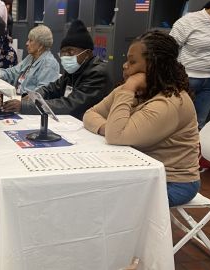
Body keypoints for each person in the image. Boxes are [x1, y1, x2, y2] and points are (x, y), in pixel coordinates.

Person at [83, 31, 200, 207]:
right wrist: (109, 128)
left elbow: (116, 137)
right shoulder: (136, 91)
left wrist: (128, 88)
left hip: (172, 181)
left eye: (132, 61)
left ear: (154, 65)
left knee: (107, 203)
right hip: (140, 170)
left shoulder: (170, 102)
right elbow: (90, 114)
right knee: (91, 191)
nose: (124, 66)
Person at [2, 20, 112, 119]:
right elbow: (52, 89)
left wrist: (25, 106)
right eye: (63, 52)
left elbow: (70, 105)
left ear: (87, 53)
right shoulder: (74, 70)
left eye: (70, 51)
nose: (66, 56)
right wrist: (31, 97)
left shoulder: (97, 74)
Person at [169, 0, 210, 129]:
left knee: (199, 124)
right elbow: (169, 49)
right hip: (186, 79)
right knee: (176, 122)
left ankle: (193, 149)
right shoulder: (189, 21)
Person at [0, 25, 59, 94]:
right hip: (18, 97)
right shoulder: (31, 57)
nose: (27, 43)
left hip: (27, 102)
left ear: (41, 45)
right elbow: (14, 72)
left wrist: (21, 102)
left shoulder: (50, 64)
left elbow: (42, 93)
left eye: (31, 41)